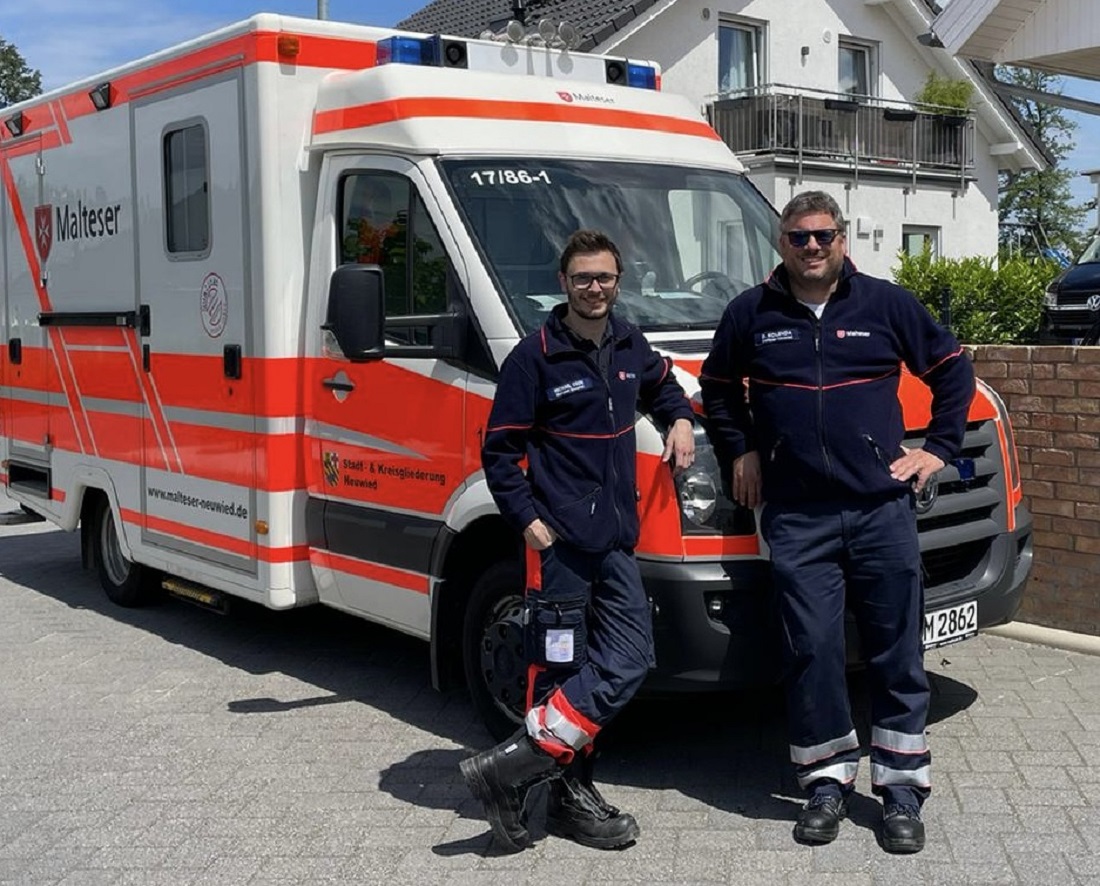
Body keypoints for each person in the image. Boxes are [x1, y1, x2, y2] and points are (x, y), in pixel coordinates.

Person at [700, 191, 974, 854]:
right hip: (798, 516)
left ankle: (902, 793)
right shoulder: (751, 313)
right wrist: (740, 449)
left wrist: (936, 448)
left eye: (823, 235)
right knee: (813, 652)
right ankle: (825, 782)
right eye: (799, 237)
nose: (812, 247)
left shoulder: (884, 304)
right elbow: (716, 388)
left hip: (880, 510)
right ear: (781, 243)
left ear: (843, 239)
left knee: (895, 654)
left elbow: (951, 370)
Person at [461, 229, 695, 852]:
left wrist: (679, 419)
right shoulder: (533, 357)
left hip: (615, 541)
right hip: (560, 545)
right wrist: (527, 520)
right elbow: (500, 449)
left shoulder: (627, 342)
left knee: (630, 659)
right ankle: (565, 798)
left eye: (606, 279)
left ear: (619, 283)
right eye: (584, 278)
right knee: (558, 668)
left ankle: (511, 766)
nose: (596, 289)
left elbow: (665, 387)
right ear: (563, 284)